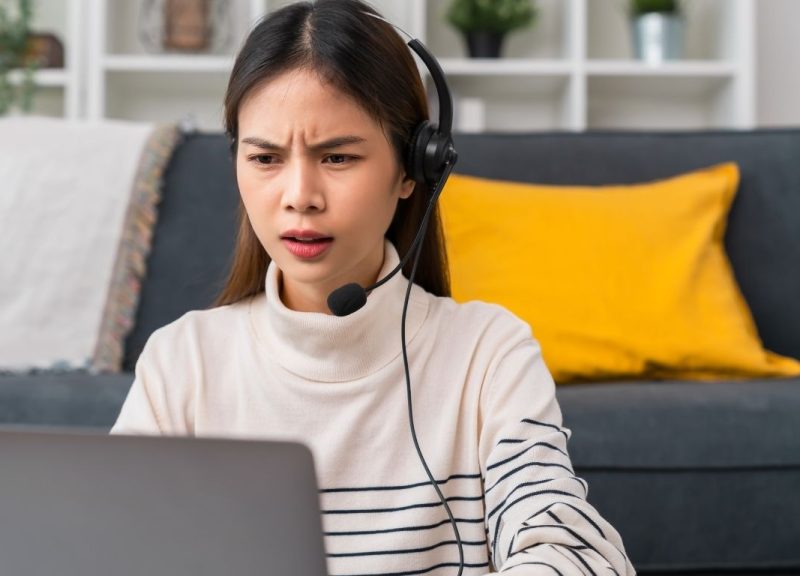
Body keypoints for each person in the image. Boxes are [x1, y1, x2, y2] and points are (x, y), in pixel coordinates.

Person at [112, 1, 635, 574]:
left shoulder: (489, 353)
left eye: (337, 156)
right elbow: (111, 550)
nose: (299, 196)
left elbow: (568, 550)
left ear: (415, 167)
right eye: (265, 157)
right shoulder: (181, 363)